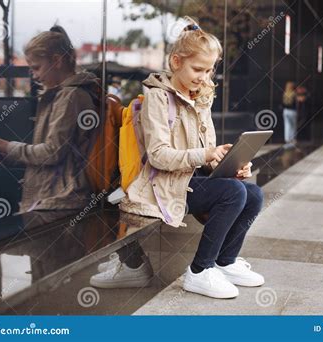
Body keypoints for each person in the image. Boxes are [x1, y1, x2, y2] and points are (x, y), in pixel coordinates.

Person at [93, 17, 265, 299]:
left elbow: (207, 153)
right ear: (176, 62)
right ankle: (199, 271)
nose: (204, 77)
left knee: (254, 193)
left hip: (191, 178)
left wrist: (228, 163)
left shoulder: (201, 98)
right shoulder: (158, 98)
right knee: (233, 193)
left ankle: (226, 262)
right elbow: (159, 156)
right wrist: (206, 154)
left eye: (209, 70)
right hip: (163, 184)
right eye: (198, 69)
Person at [0, 26, 100, 213]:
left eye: (36, 67)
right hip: (52, 197)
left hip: (58, 200)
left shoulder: (70, 97)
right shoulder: (65, 95)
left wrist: (8, 147)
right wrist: (9, 155)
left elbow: (53, 152)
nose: (34, 75)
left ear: (57, 61)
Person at [282, 81, 298, 146]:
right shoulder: (294, 94)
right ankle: (292, 139)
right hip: (292, 111)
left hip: (285, 111)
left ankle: (287, 139)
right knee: (293, 126)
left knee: (287, 125)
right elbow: (295, 104)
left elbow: (283, 104)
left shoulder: (285, 94)